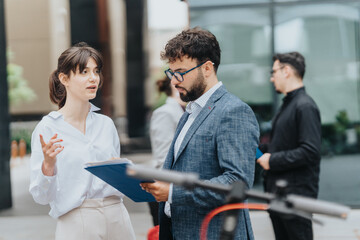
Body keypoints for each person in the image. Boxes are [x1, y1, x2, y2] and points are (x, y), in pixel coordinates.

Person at [141, 27, 260, 240]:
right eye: (171, 72)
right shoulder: (190, 112)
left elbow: (237, 183)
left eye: (180, 72)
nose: (174, 81)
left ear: (206, 68)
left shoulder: (233, 111)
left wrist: (173, 193)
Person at [29, 42, 135, 240]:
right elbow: (41, 197)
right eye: (84, 72)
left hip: (117, 215)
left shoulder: (106, 124)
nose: (93, 78)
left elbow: (117, 175)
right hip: (76, 219)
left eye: (96, 71)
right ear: (64, 78)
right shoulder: (48, 128)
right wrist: (48, 166)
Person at [257, 52, 321, 240]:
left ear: (286, 71)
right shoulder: (288, 105)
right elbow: (278, 147)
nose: (271, 78)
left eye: (274, 71)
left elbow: (310, 151)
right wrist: (253, 149)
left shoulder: (305, 106)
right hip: (279, 197)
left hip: (295, 199)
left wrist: (272, 160)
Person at [148, 76, 185, 226]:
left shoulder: (184, 111)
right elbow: (163, 155)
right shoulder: (165, 112)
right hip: (167, 188)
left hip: (176, 189)